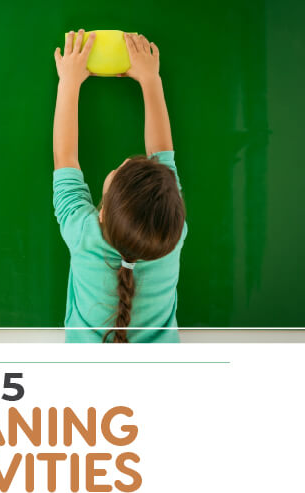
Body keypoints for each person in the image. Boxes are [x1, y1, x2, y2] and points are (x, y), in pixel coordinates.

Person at [53, 30, 187, 342]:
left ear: (103, 215)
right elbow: (65, 160)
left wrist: (69, 80)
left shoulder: (84, 235)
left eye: (118, 170)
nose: (122, 162)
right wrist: (150, 79)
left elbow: (65, 155)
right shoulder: (168, 234)